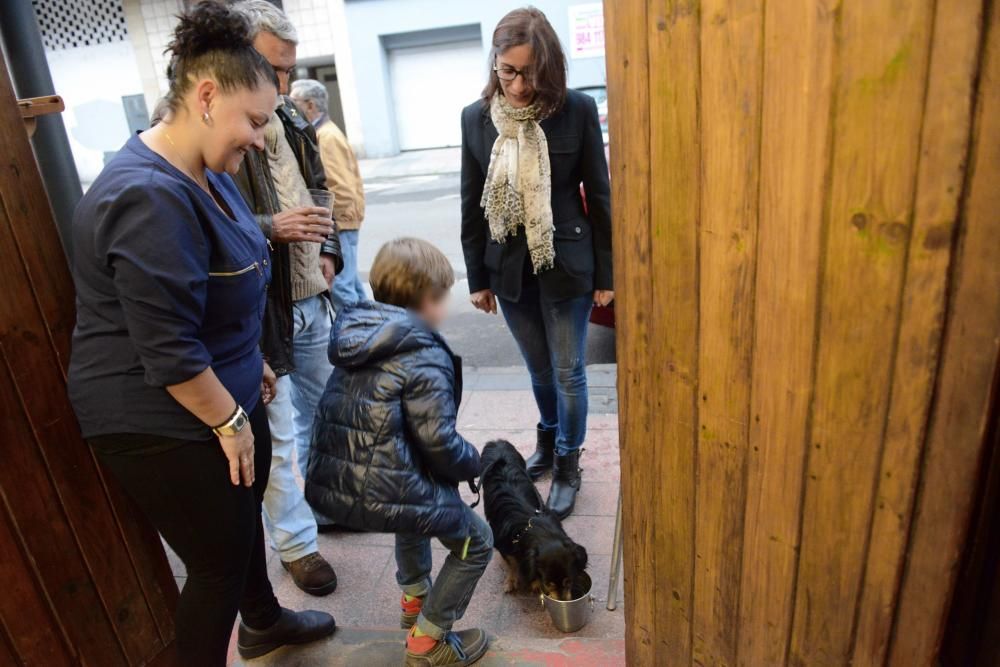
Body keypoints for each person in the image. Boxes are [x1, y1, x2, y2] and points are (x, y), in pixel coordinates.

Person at [66, 3, 335, 665]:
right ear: (206, 96)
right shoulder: (146, 195)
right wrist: (229, 420)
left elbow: (227, 281)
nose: (256, 138)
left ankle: (265, 621)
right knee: (215, 564)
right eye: (253, 121)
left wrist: (253, 362)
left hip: (223, 389)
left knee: (243, 536)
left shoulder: (209, 172)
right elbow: (168, 346)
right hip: (160, 416)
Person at [306, 238, 492, 666]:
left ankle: (414, 600)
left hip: (357, 476)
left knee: (412, 514)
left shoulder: (362, 334)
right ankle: (427, 641)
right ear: (427, 300)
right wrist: (473, 463)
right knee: (477, 543)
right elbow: (439, 441)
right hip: (388, 474)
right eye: (443, 297)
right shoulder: (424, 354)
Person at [459, 8, 613, 519]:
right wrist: (477, 278)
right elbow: (470, 201)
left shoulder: (576, 109)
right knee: (539, 370)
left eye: (529, 72)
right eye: (508, 71)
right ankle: (547, 445)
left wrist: (607, 278)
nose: (519, 85)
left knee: (569, 371)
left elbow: (601, 193)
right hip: (507, 269)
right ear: (495, 66)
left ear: (548, 65)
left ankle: (568, 463)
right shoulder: (475, 118)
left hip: (566, 263)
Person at [230, 0, 341, 596]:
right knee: (278, 427)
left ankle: (327, 507)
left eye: (289, 70)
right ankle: (297, 546)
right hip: (261, 310)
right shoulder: (222, 130)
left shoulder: (293, 118)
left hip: (311, 295)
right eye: (274, 69)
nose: (284, 83)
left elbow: (320, 188)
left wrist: (330, 254)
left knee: (328, 408)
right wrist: (274, 226)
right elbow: (212, 223)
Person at [290, 78, 368, 312]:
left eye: (295, 102)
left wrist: (336, 222)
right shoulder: (325, 132)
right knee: (351, 284)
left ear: (311, 105)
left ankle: (358, 338)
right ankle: (371, 332)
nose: (289, 108)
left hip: (342, 224)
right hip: (345, 221)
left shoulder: (325, 136)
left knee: (343, 288)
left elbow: (339, 188)